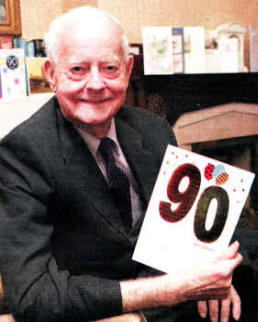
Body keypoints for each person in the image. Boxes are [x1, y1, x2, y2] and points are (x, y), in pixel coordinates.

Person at [0, 6, 243, 322]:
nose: (96, 83)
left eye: (110, 68)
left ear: (128, 70)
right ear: (51, 74)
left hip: (179, 302)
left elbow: (198, 226)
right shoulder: (22, 152)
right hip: (105, 310)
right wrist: (172, 290)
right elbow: (33, 297)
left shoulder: (154, 129)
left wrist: (217, 276)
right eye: (77, 69)